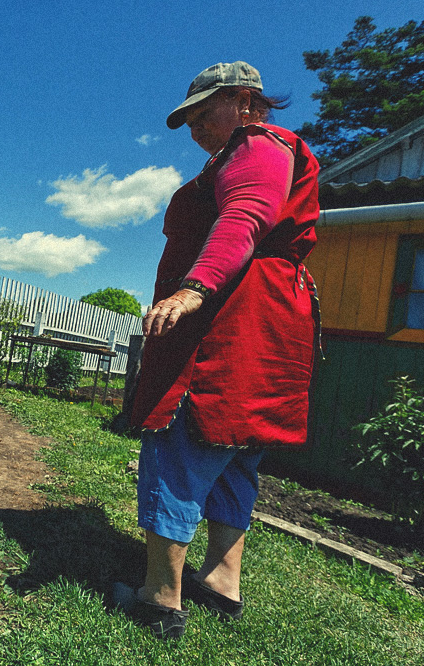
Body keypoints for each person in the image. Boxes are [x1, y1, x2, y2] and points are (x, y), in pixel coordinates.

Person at [112, 61, 320, 640]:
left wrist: (194, 286)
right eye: (190, 120)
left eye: (205, 113)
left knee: (183, 442)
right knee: (236, 451)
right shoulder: (269, 152)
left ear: (245, 101)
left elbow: (245, 216)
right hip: (271, 329)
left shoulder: (258, 144)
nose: (197, 128)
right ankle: (223, 581)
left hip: (228, 325)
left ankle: (160, 597)